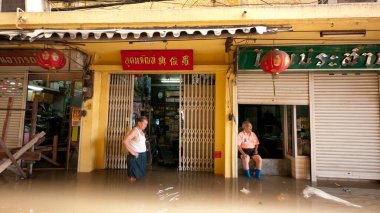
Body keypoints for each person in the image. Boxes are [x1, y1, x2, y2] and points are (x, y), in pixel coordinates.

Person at [123, 116, 149, 183]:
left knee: (138, 175)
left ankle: (134, 191)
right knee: (133, 176)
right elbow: (125, 141)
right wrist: (133, 152)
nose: (145, 126)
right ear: (139, 123)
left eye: (146, 124)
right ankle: (130, 191)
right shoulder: (135, 131)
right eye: (144, 124)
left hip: (141, 155)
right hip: (135, 157)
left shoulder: (141, 131)